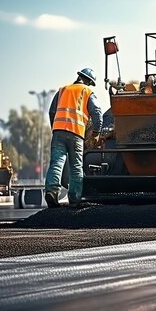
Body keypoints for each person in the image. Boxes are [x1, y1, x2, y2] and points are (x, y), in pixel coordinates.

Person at [44, 67, 103, 208]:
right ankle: (75, 198)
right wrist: (96, 133)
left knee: (56, 163)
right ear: (88, 81)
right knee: (76, 166)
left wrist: (56, 128)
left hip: (58, 132)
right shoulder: (87, 91)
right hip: (76, 134)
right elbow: (97, 114)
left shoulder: (63, 90)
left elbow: (52, 112)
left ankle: (51, 192)